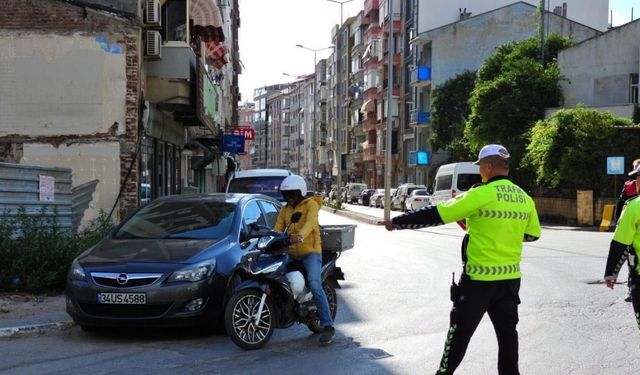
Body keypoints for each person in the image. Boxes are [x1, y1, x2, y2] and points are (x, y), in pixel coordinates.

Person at [382, 144, 541, 375]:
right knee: (508, 338)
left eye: (481, 168)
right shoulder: (524, 198)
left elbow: (437, 213)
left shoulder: (480, 194)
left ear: (488, 166)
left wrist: (398, 222)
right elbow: (532, 234)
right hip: (510, 281)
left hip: (479, 280)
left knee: (458, 334)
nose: (480, 172)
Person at [275, 175, 335, 346]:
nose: (289, 198)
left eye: (292, 194)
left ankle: (328, 326)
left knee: (315, 284)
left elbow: (310, 224)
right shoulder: (285, 209)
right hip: (291, 253)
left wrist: (299, 236)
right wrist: (272, 237)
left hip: (311, 252)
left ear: (300, 193)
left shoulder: (311, 205)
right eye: (286, 195)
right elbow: (278, 227)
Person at [605, 163, 640, 332]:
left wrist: (611, 274)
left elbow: (620, 243)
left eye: (637, 178)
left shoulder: (634, 206)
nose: (635, 182)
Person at [614, 159, 640, 303]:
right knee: (632, 261)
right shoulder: (628, 186)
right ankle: (631, 288)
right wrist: (618, 224)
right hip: (631, 230)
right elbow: (620, 204)